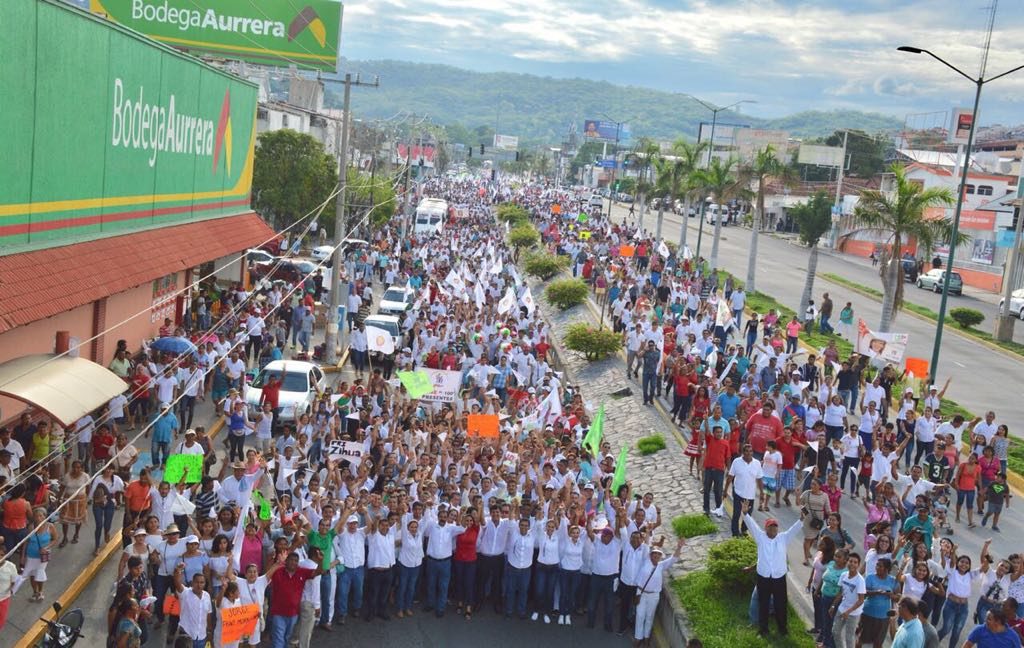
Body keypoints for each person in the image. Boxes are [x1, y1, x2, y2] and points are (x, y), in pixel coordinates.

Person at [742, 501, 804, 637]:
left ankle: (783, 629)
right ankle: (763, 630)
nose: (773, 529)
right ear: (766, 529)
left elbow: (794, 529)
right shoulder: (760, 537)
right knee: (763, 603)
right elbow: (751, 525)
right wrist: (745, 513)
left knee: (780, 604)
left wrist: (801, 519)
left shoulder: (783, 538)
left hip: (779, 577)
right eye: (771, 527)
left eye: (775, 527)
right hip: (763, 576)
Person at [633, 539, 685, 647]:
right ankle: (638, 638)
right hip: (641, 593)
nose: (656, 555)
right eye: (654, 553)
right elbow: (646, 545)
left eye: (658, 554)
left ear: (660, 556)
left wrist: (679, 547)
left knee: (649, 616)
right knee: (640, 615)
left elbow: (673, 558)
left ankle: (646, 637)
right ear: (650, 555)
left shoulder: (661, 565)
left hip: (654, 595)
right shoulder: (645, 562)